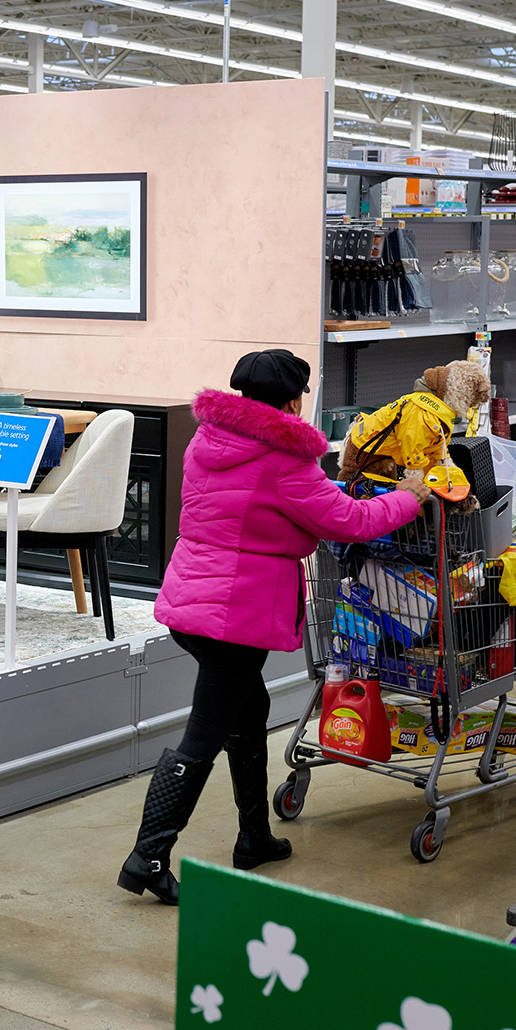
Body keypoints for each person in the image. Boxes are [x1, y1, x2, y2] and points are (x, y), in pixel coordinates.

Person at [117, 349, 431, 905]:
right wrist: (409, 497)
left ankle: (254, 836)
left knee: (250, 712)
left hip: (194, 600)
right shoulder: (284, 458)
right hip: (234, 615)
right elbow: (349, 521)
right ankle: (148, 858)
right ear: (293, 401)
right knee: (203, 737)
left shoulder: (207, 441)